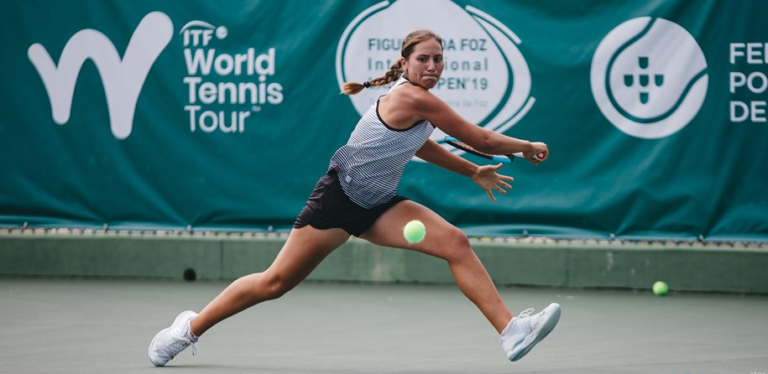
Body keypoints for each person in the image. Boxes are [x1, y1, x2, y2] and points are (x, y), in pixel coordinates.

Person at [148, 29, 560, 366]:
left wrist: (472, 170)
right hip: (338, 200)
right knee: (274, 283)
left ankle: (511, 331)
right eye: (424, 59)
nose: (432, 66)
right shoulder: (412, 97)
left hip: (379, 203)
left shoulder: (416, 105)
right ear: (406, 63)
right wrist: (525, 145)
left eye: (438, 59)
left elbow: (416, 145)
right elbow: (482, 138)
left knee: (456, 242)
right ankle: (188, 328)